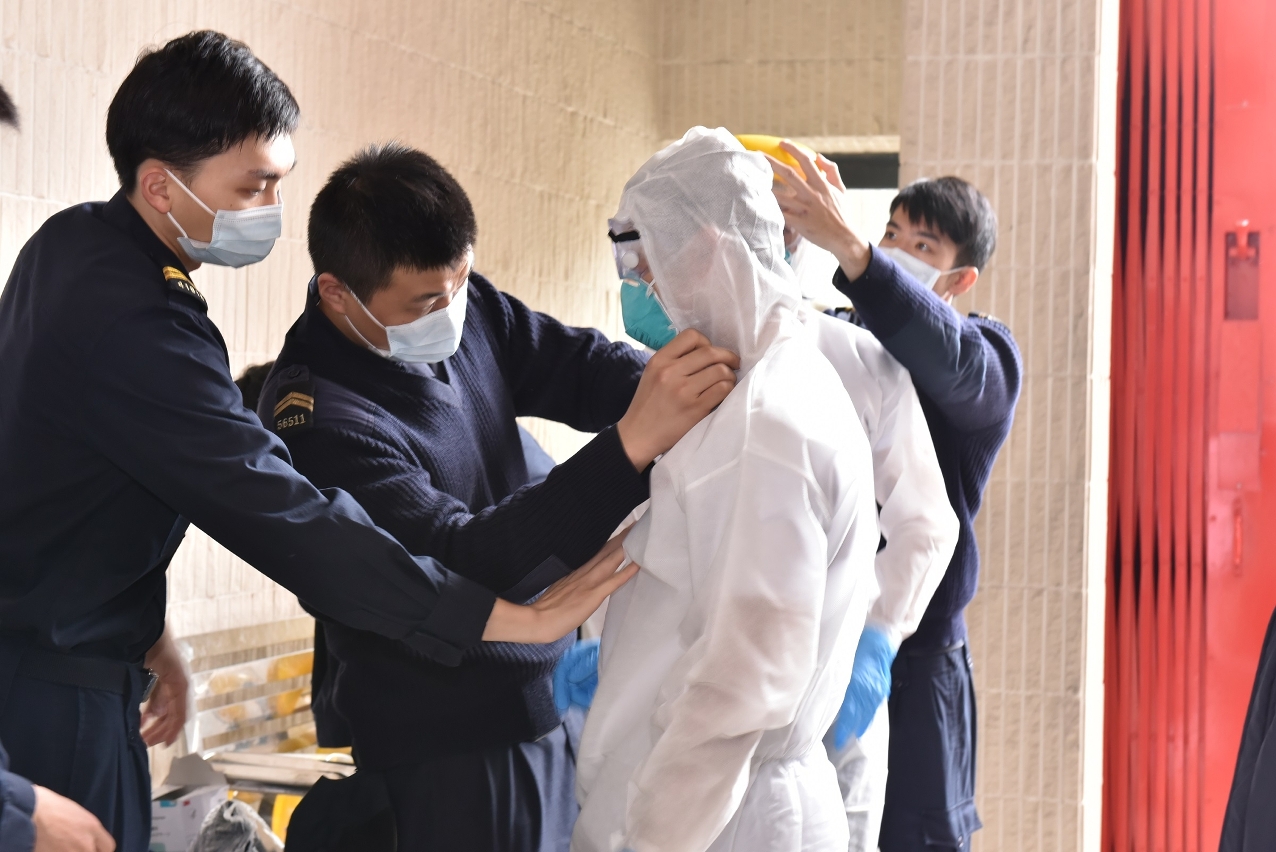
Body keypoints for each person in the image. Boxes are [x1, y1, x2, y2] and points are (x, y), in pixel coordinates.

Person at [0, 32, 646, 850]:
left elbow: (65, 490)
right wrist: (501, 619)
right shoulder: (146, 327)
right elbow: (287, 516)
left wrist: (145, 631)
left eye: (279, 180)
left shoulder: (73, 248)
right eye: (253, 186)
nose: (273, 208)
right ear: (161, 185)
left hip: (78, 664)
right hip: (57, 693)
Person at [258, 143, 739, 851]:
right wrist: (633, 443)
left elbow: (575, 366)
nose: (449, 311)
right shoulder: (320, 420)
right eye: (425, 302)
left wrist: (687, 385)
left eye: (459, 283)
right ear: (337, 293)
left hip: (549, 703)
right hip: (448, 744)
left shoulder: (459, 299)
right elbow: (465, 561)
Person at [573, 127, 881, 852]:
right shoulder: (765, 389)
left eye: (646, 265)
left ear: (708, 249)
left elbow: (740, 684)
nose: (642, 290)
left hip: (723, 817)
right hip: (722, 803)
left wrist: (652, 842)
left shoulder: (769, 424)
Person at [769, 144, 1022, 851]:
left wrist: (852, 249)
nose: (896, 251)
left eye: (923, 245)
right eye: (890, 234)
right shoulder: (847, 338)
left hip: (916, 662)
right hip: (819, 639)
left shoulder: (987, 358)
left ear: (960, 277)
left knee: (916, 836)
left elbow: (944, 355)